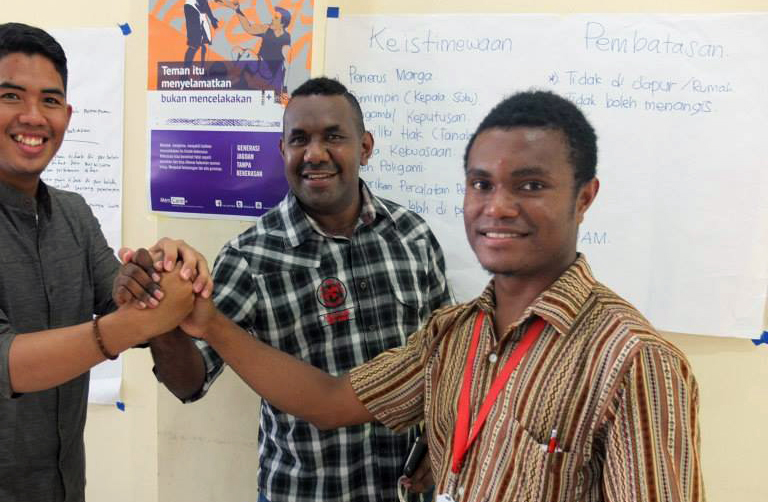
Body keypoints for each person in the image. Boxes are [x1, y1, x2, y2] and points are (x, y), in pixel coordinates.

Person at [163, 90, 705, 501]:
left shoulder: (635, 362)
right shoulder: (454, 335)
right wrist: (206, 322)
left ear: (585, 197)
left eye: (531, 185)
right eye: (481, 184)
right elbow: (329, 402)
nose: (498, 207)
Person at [0, 23, 206, 502]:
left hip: (61, 484)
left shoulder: (74, 213)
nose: (34, 117)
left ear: (68, 114)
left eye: (51, 101)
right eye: (12, 97)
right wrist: (143, 320)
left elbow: (133, 309)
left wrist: (161, 274)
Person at [119, 77, 453, 502]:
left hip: (407, 490)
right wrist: (162, 319)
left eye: (333, 136)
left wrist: (443, 432)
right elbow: (189, 383)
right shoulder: (250, 256)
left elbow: (450, 357)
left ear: (365, 147)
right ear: (282, 152)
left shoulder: (413, 236)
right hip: (304, 492)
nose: (315, 153)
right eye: (299, 139)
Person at [183, 0, 219, 68]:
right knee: (194, 44)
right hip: (193, 9)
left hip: (198, 10)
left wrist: (212, 18)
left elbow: (204, 4)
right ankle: (184, 74)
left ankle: (201, 70)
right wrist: (212, 19)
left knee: (203, 42)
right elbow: (203, 4)